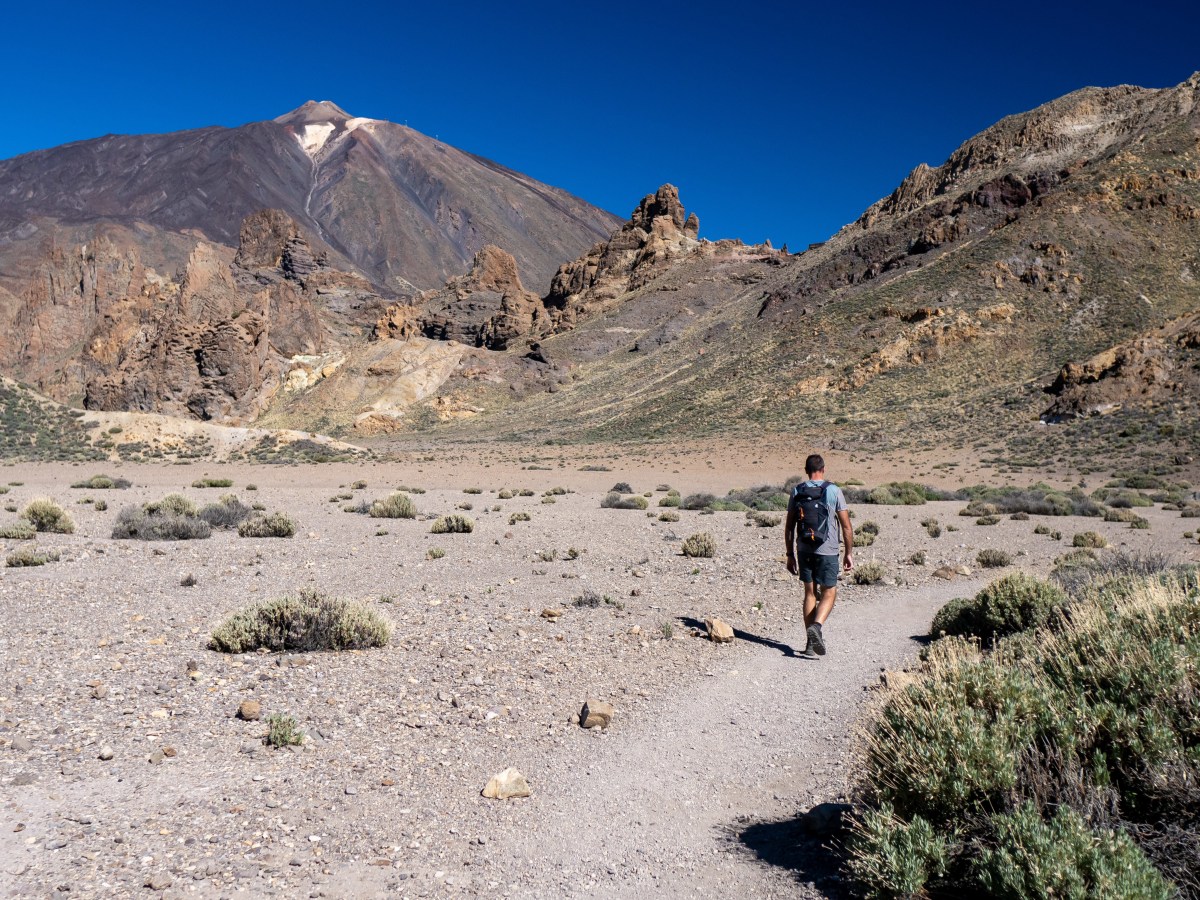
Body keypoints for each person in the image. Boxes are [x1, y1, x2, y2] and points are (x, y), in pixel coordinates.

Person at [784, 454, 853, 658]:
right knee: (829, 592)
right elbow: (846, 527)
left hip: (804, 549)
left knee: (810, 594)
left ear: (806, 470)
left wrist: (790, 554)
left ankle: (810, 645)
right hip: (827, 549)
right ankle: (817, 626)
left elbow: (789, 527)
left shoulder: (797, 490)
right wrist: (848, 553)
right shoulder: (833, 490)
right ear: (823, 469)